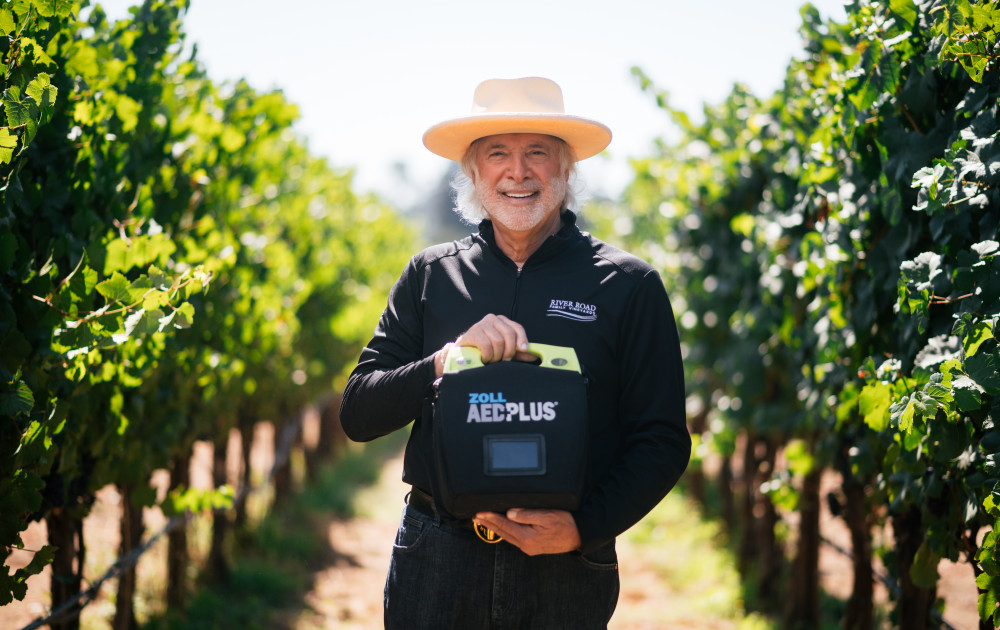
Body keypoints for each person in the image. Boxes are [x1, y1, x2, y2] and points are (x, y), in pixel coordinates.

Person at [340, 76, 690, 629]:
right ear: (473, 172)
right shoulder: (430, 275)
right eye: (498, 153)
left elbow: (663, 440)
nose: (518, 171)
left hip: (565, 567)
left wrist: (584, 528)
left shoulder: (628, 285)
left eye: (538, 153)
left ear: (566, 169)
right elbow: (358, 413)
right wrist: (445, 360)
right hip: (437, 557)